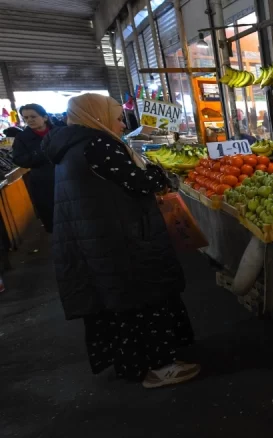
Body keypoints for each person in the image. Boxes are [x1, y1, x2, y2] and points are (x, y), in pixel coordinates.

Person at [42, 93, 199, 389]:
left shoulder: (71, 145)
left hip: (99, 238)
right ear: (97, 116)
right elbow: (141, 182)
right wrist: (159, 173)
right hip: (120, 239)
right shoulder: (97, 145)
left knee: (120, 301)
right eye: (116, 116)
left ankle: (136, 363)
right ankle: (157, 367)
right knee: (141, 299)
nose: (122, 123)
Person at [11, 104, 62, 233]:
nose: (29, 120)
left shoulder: (60, 132)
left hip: (65, 176)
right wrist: (40, 153)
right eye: (26, 118)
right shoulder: (22, 138)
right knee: (52, 216)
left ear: (44, 117)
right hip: (42, 183)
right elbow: (19, 159)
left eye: (33, 116)